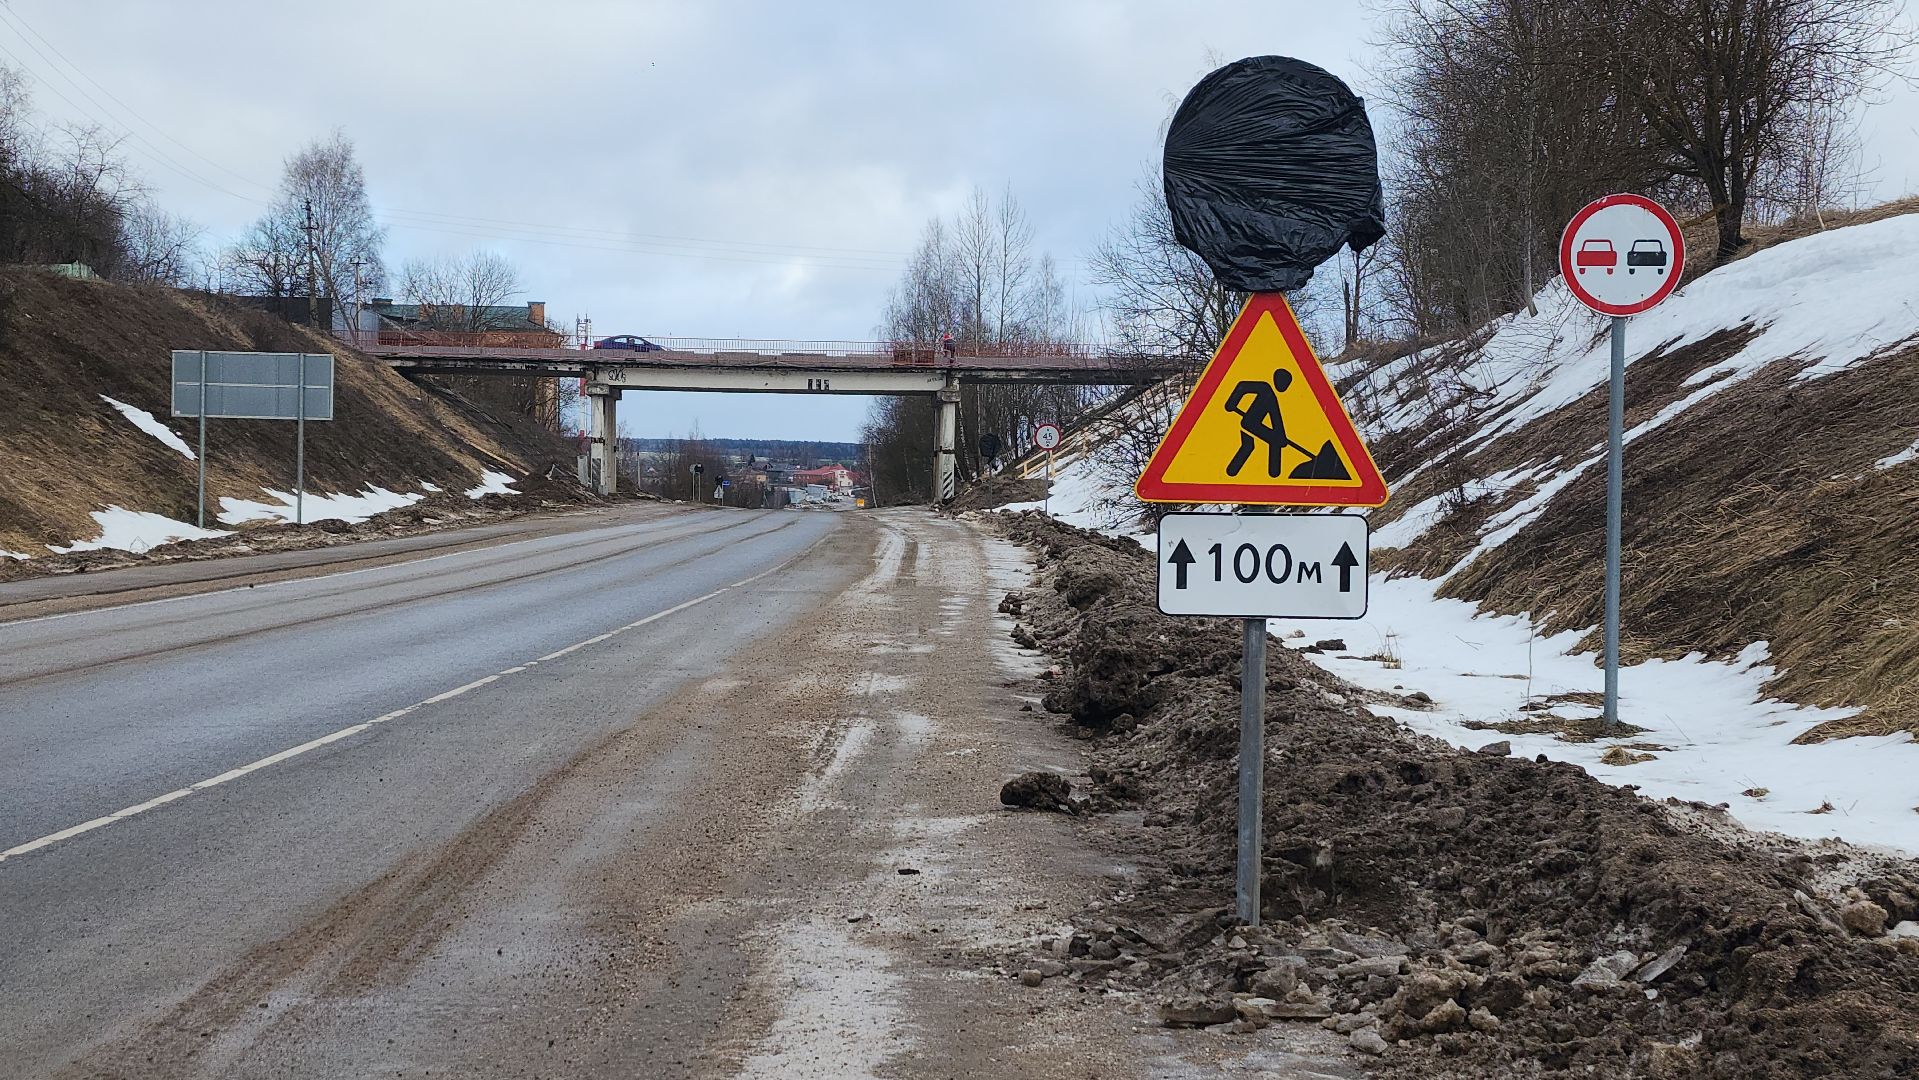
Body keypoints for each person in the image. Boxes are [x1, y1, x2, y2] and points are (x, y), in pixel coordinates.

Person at [1224, 369, 1294, 478]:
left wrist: (1281, 436)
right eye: (1284, 383)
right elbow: (1242, 386)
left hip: (1254, 425)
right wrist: (1231, 402)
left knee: (1273, 441)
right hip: (1249, 422)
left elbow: (1276, 418)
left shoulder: (1272, 397)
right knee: (1249, 446)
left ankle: (1274, 474)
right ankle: (1231, 472)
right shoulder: (1265, 388)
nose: (1285, 387)